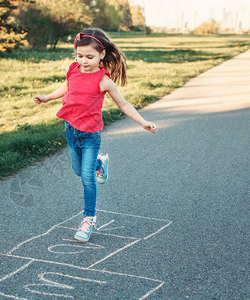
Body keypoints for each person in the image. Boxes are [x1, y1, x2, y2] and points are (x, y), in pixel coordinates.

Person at [33, 28, 157, 242]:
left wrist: (143, 122)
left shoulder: (104, 80)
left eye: (89, 57)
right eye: (79, 56)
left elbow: (124, 104)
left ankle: (88, 219)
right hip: (70, 129)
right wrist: (46, 98)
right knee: (78, 171)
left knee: (87, 178)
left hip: (90, 135)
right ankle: (100, 164)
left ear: (102, 55)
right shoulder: (72, 70)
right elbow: (66, 87)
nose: (83, 61)